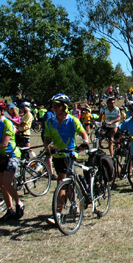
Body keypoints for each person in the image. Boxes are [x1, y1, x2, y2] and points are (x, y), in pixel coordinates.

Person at [43, 94, 89, 225]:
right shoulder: (50, 121)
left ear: (64, 107)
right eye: (54, 106)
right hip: (57, 156)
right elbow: (47, 138)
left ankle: (58, 213)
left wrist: (85, 142)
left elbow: (83, 132)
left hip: (69, 155)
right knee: (67, 183)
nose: (55, 108)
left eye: (58, 105)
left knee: (61, 182)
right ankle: (74, 203)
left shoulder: (73, 120)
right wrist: (49, 146)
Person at [0, 101, 24, 222]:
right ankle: (9, 210)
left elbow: (4, 144)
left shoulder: (6, 123)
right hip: (1, 157)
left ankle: (19, 203)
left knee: (7, 183)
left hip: (11, 155)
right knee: (2, 185)